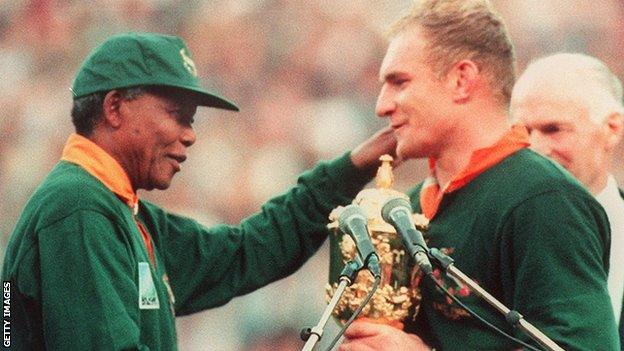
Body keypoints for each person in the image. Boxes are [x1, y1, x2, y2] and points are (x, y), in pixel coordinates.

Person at [1, 32, 397, 350]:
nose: (190, 135)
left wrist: (353, 167)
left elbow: (245, 252)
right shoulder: (80, 209)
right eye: (178, 116)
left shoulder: (121, 210)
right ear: (115, 107)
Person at [340, 0, 619, 350]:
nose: (382, 105)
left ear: (462, 80)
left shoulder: (543, 199)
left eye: (400, 82)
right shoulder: (405, 209)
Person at [510, 52, 624, 346]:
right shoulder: (497, 231)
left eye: (553, 130)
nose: (534, 148)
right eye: (523, 132)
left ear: (612, 129)